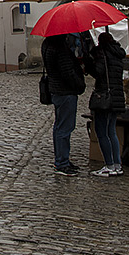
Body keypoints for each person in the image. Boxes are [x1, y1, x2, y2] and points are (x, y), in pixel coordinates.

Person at [42, 32, 87, 175]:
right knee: (64, 128)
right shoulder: (59, 48)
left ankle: (62, 159)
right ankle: (62, 162)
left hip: (56, 91)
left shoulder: (47, 45)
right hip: (65, 91)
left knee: (59, 127)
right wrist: (80, 85)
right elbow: (68, 72)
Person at [87, 31, 127, 176]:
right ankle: (117, 164)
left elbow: (99, 72)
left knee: (101, 131)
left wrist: (89, 63)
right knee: (111, 131)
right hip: (116, 96)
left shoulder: (102, 54)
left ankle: (109, 165)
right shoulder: (117, 54)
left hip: (104, 96)